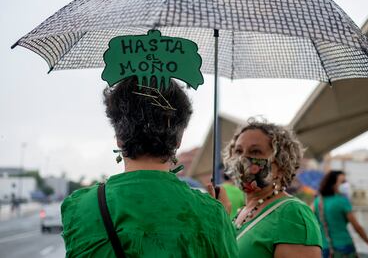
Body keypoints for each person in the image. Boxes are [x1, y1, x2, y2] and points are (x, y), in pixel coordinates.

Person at [61, 77, 237, 257]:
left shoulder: (79, 207)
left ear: (119, 138)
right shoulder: (211, 213)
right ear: (178, 140)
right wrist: (221, 220)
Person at [223, 118, 322, 258]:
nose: (242, 159)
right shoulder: (242, 212)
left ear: (281, 164)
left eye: (255, 151)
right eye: (238, 151)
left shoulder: (292, 214)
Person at [314, 170, 368, 258]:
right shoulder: (342, 201)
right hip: (344, 248)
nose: (346, 185)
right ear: (333, 184)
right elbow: (357, 227)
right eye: (343, 182)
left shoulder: (318, 201)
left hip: (325, 248)